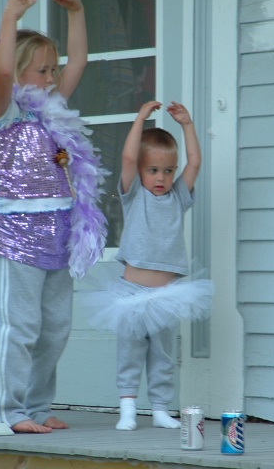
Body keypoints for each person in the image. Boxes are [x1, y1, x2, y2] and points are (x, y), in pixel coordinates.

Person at [0, 0, 107, 434]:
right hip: (16, 230)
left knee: (55, 328)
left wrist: (77, 13)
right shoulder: (4, 111)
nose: (52, 76)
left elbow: (78, 61)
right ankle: (9, 410)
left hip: (59, 228)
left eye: (51, 68)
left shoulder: (52, 110)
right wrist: (9, 16)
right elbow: (1, 70)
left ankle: (38, 407)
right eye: (42, 69)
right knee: (18, 327)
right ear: (20, 71)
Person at [81, 101, 214, 430]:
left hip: (166, 294)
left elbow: (195, 161)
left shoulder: (179, 196)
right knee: (130, 352)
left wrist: (187, 125)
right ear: (140, 172)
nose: (161, 177)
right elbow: (127, 157)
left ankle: (159, 408)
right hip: (131, 292)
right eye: (153, 170)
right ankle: (127, 407)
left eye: (168, 171)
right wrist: (140, 118)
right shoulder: (134, 195)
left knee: (163, 355)